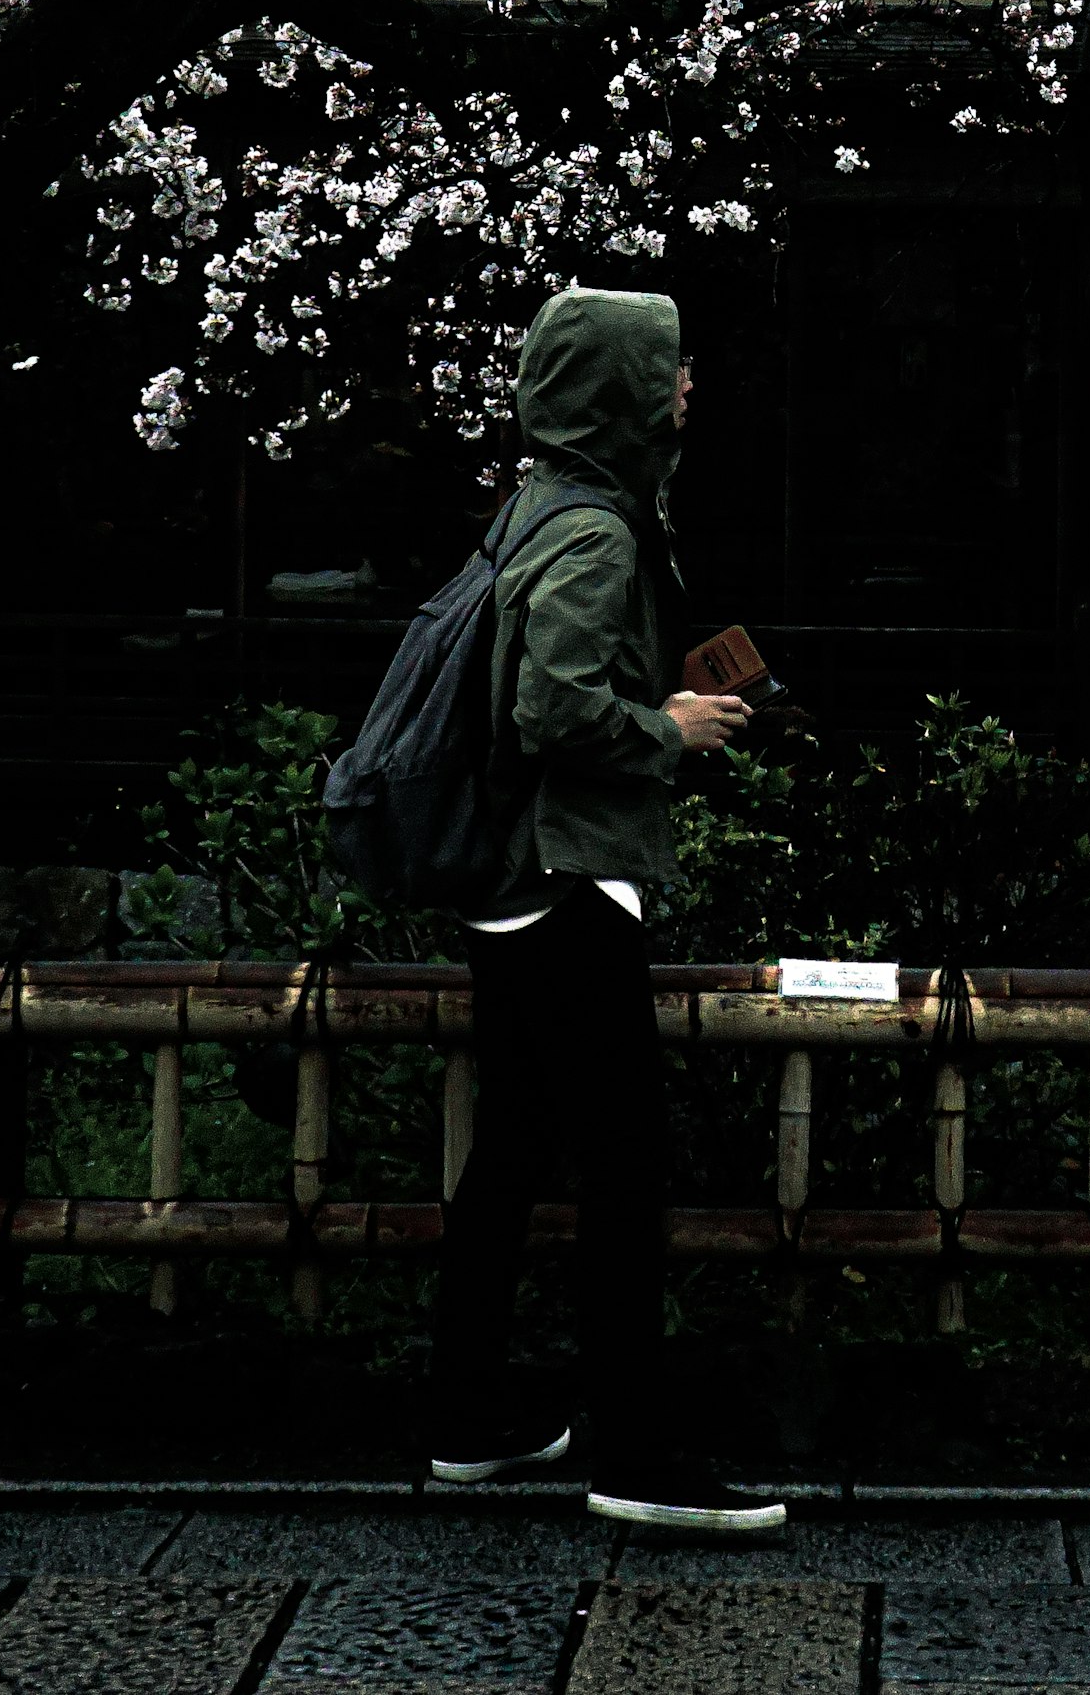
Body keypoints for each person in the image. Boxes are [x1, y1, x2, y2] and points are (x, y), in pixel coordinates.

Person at [424, 285, 778, 1532]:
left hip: (511, 885)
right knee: (626, 1169)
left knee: (514, 1149)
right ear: (623, 386)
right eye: (671, 366)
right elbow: (552, 709)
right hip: (566, 880)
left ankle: (467, 1421)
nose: (690, 385)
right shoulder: (598, 534)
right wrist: (667, 726)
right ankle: (633, 1454)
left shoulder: (540, 504)